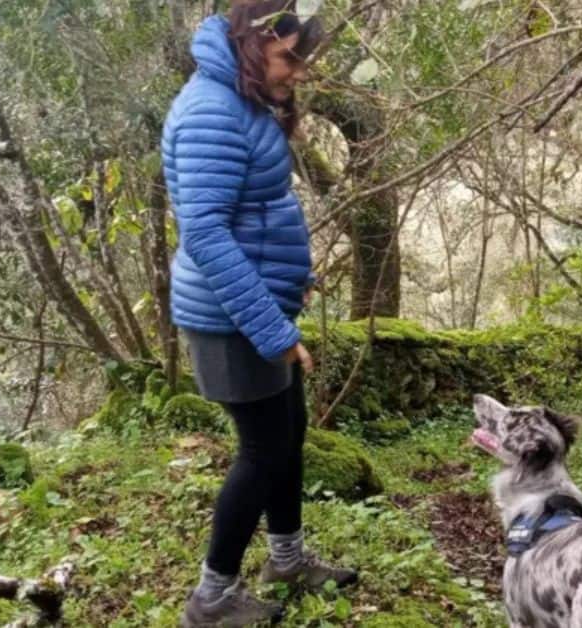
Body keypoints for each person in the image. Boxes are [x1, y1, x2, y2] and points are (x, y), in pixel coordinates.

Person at [160, 2, 356, 626]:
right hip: (231, 321)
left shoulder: (238, 99)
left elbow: (255, 212)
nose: (298, 72)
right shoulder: (210, 112)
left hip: (257, 307)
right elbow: (206, 235)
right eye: (287, 58)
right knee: (263, 451)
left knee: (288, 435)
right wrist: (272, 330)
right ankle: (211, 599)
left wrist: (293, 279)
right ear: (251, 43)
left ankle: (287, 560)